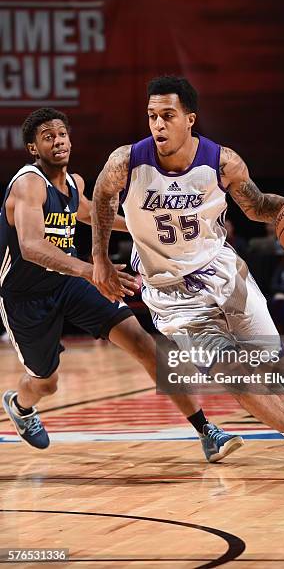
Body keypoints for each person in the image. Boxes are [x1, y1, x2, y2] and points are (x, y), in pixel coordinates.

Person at [91, 75, 284, 484]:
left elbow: (260, 206)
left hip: (224, 274)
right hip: (172, 296)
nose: (157, 125)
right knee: (233, 376)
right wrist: (99, 258)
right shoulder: (126, 162)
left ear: (190, 119)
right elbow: (102, 200)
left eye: (167, 116)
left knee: (267, 360)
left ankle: (277, 362)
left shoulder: (221, 161)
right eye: (152, 116)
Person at [0, 107, 243, 463]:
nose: (58, 142)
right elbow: (32, 247)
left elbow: (88, 213)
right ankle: (20, 405)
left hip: (69, 283)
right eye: (48, 137)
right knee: (45, 382)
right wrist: (91, 270)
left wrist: (150, 223)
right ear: (33, 148)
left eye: (62, 134)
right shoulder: (28, 184)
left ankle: (208, 431)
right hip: (26, 298)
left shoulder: (74, 184)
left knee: (144, 343)